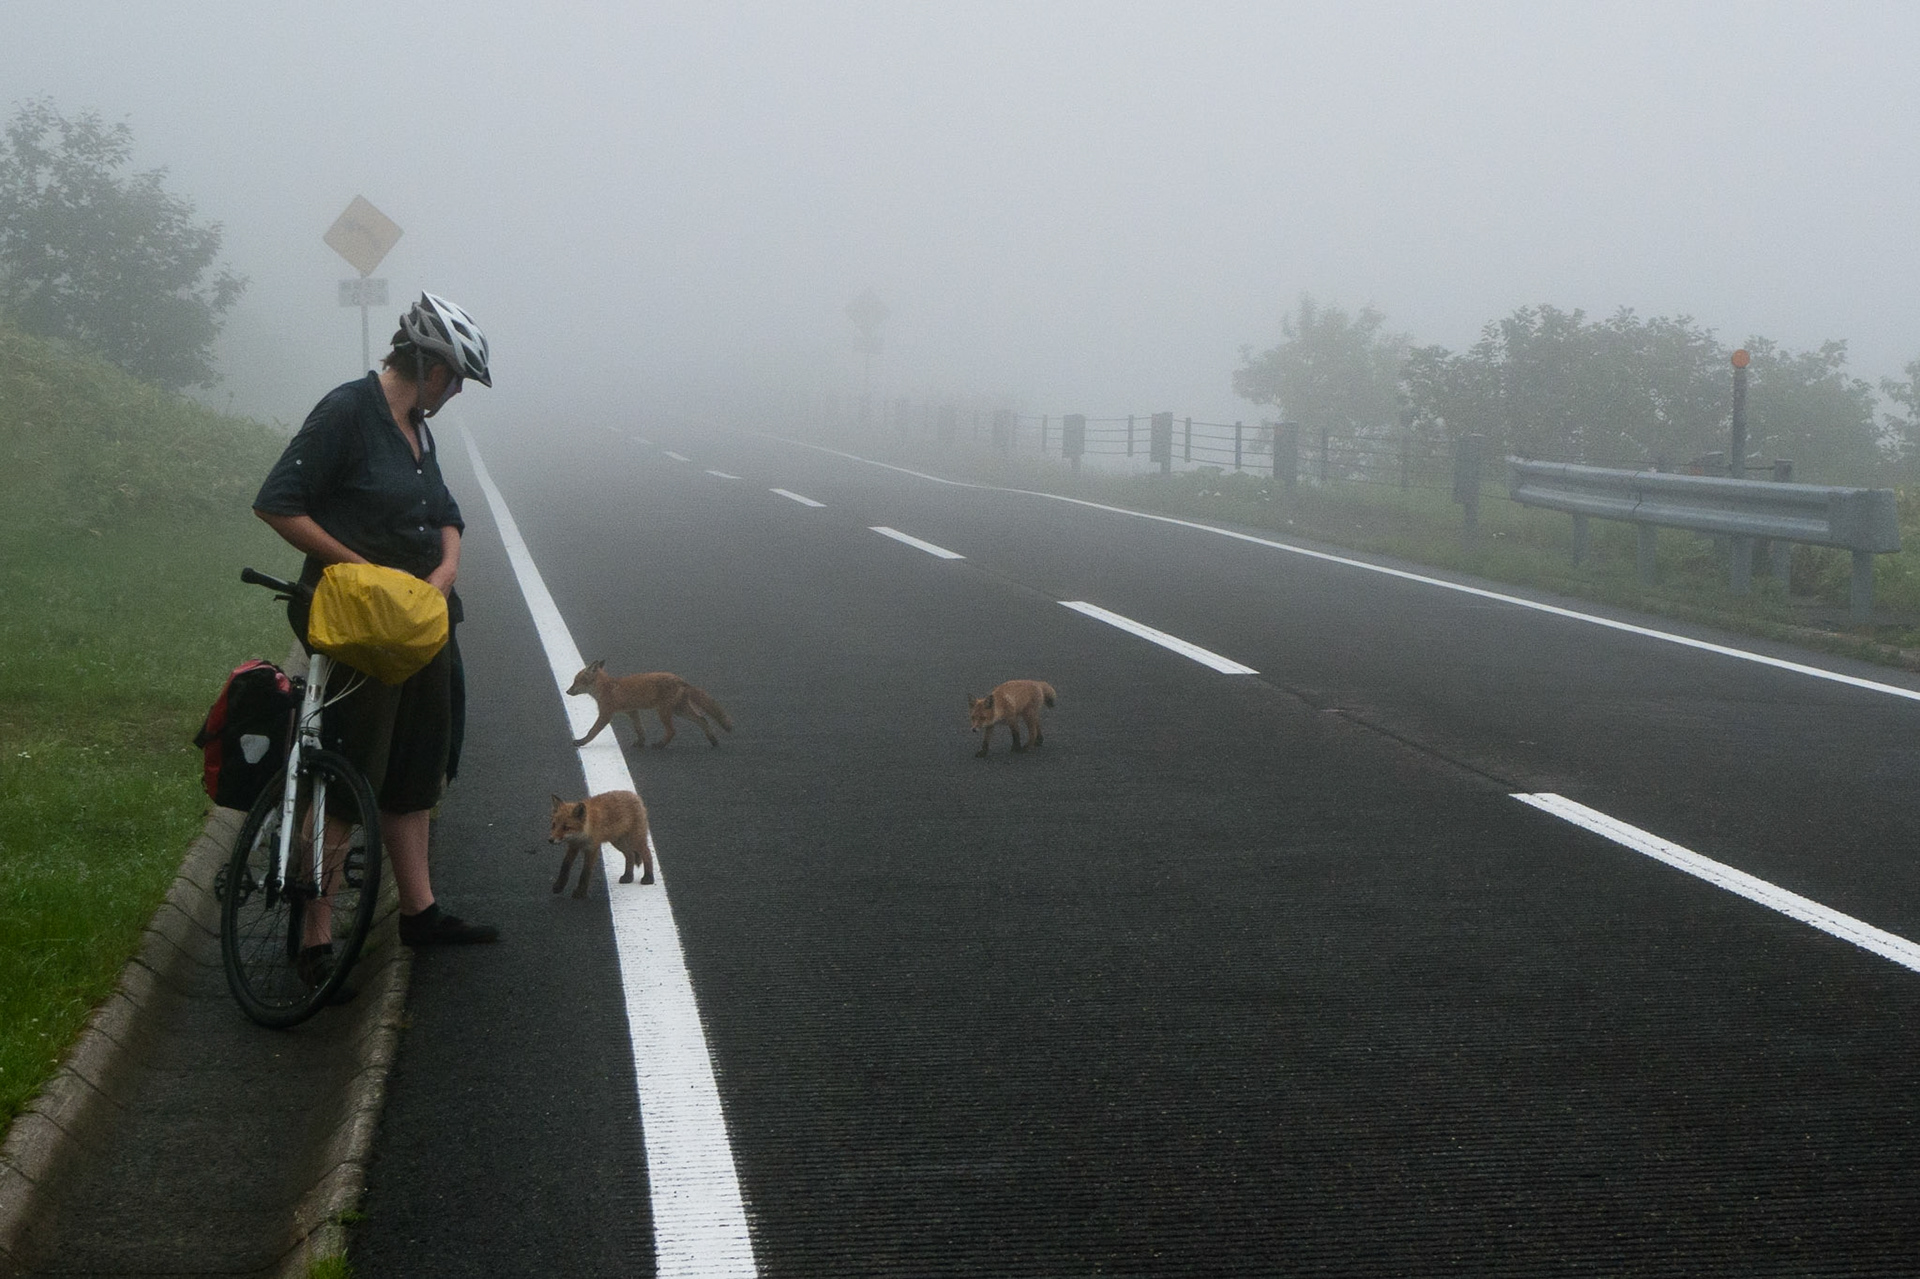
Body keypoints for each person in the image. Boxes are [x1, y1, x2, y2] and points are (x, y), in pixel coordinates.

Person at [253, 292, 500, 968]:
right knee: (352, 767)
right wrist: (362, 568)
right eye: (453, 379)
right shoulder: (347, 413)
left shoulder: (418, 428)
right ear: (428, 363)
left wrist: (445, 569)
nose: (453, 394)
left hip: (417, 620)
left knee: (418, 763)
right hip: (357, 619)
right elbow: (277, 503)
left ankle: (419, 912)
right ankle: (313, 931)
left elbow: (447, 511)